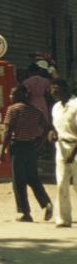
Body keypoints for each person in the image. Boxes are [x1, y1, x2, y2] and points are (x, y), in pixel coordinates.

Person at [0, 84, 53, 222]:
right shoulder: (36, 110)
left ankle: (25, 213)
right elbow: (47, 128)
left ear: (20, 95)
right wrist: (39, 144)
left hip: (18, 147)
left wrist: (2, 150)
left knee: (18, 181)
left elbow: (7, 132)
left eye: (13, 93)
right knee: (33, 178)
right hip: (31, 147)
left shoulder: (13, 109)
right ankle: (46, 203)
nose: (10, 96)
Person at [50, 79, 77, 227]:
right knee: (61, 184)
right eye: (51, 89)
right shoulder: (56, 108)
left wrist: (72, 155)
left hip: (75, 148)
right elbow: (56, 128)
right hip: (61, 147)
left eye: (55, 88)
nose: (53, 92)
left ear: (65, 88)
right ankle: (63, 219)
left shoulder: (75, 105)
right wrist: (52, 133)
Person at [23, 59, 54, 124]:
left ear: (30, 72)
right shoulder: (45, 81)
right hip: (42, 102)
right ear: (38, 71)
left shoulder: (26, 82)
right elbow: (48, 94)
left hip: (31, 102)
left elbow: (26, 94)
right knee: (44, 120)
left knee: (33, 121)